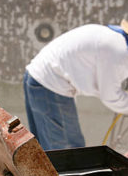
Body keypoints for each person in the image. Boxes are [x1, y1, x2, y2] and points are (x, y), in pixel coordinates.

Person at [23, 18, 128, 151]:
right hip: (50, 84)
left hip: (37, 78)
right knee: (70, 153)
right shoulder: (119, 51)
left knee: (46, 155)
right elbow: (111, 97)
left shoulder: (113, 37)